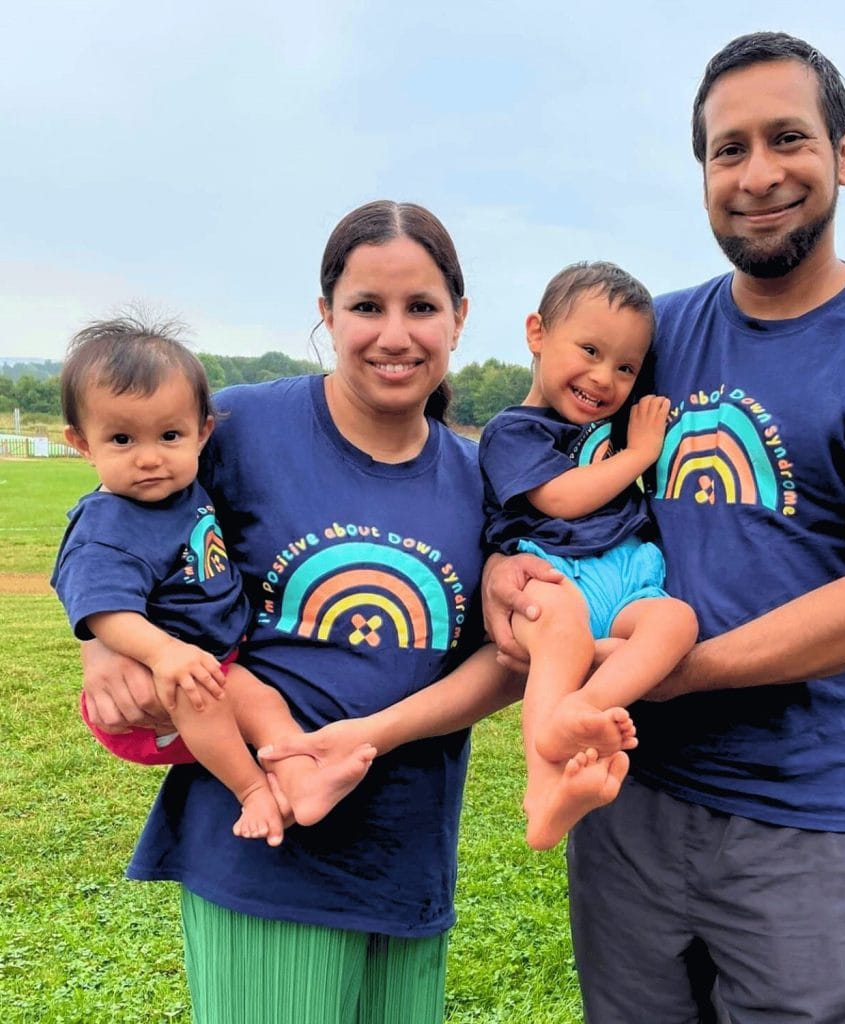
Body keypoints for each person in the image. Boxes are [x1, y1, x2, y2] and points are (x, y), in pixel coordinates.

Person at [485, 31, 845, 1023]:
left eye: (787, 139)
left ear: (842, 154)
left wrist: (687, 666)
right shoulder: (652, 336)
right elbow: (528, 469)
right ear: (703, 173)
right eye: (728, 150)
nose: (757, 174)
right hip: (625, 791)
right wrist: (503, 576)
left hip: (801, 821)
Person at [78, 200, 521, 1024]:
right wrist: (102, 648)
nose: (395, 334)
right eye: (365, 307)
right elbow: (115, 521)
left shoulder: (484, 475)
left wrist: (369, 737)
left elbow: (508, 659)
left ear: (460, 318)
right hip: (260, 856)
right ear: (325, 315)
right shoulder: (244, 426)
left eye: (422, 307)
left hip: (405, 857)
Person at [53, 317, 356, 848]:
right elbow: (103, 611)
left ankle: (300, 770)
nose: (150, 457)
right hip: (150, 690)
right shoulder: (106, 524)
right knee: (206, 699)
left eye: (169, 435)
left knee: (261, 703)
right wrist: (165, 654)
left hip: (213, 661)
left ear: (203, 432)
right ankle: (252, 791)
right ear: (81, 442)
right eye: (122, 439)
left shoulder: (184, 488)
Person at [478, 261, 697, 850]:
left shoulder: (607, 424)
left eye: (625, 367)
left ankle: (582, 707)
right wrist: (641, 453)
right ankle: (544, 788)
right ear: (538, 333)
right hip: (553, 574)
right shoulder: (513, 431)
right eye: (590, 350)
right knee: (566, 639)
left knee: (677, 622)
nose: (604, 378)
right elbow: (560, 499)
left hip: (627, 573)